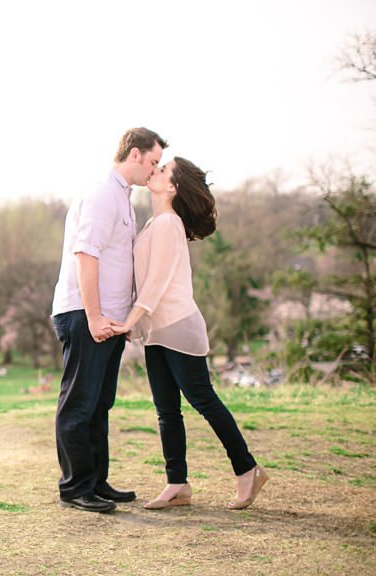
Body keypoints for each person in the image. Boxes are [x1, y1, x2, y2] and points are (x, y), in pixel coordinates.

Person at [111, 157, 269, 510]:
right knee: (166, 410)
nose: (156, 170)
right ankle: (177, 483)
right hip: (156, 330)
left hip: (179, 327)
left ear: (172, 187)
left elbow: (156, 283)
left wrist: (129, 321)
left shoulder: (168, 223)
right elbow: (145, 283)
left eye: (164, 169)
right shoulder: (155, 223)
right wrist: (136, 325)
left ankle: (248, 470)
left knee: (203, 400)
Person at [51, 127, 167, 513]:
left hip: (110, 320)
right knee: (80, 404)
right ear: (134, 155)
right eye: (153, 161)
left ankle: (96, 482)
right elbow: (87, 255)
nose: (155, 170)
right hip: (86, 315)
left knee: (100, 403)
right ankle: (76, 488)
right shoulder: (103, 194)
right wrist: (96, 316)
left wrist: (123, 317)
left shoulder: (123, 199)